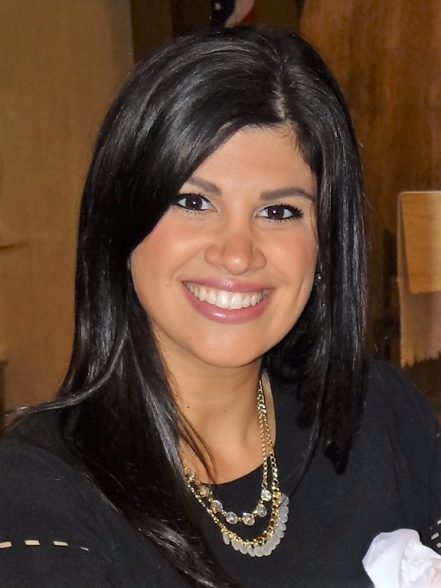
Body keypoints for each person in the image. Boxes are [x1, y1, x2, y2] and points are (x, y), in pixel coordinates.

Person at [0, 26, 440, 588]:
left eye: (280, 212)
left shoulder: (381, 413)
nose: (237, 254)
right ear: (120, 226)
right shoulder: (37, 496)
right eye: (193, 201)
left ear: (326, 244)